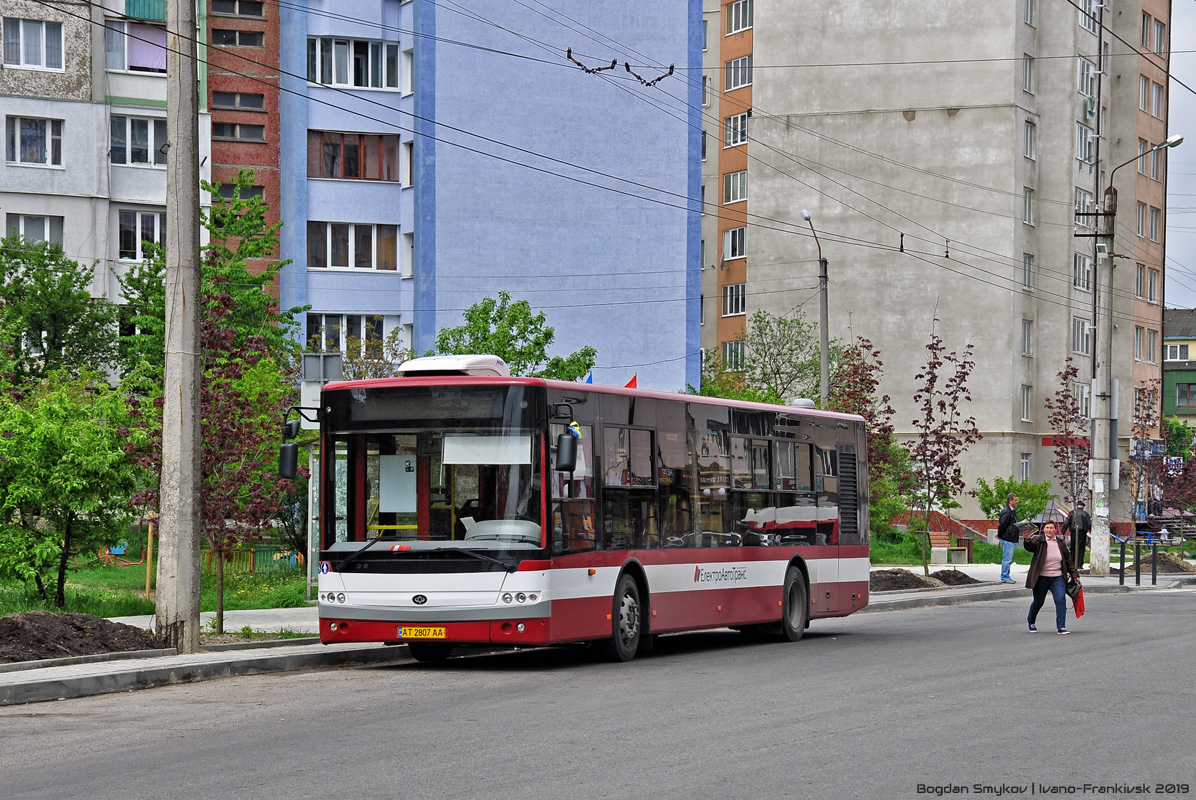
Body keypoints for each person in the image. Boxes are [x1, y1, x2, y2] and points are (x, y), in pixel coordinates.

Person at [1024, 520, 1080, 634]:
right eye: (1047, 528)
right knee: (1038, 601)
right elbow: (1030, 547)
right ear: (1044, 529)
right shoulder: (1038, 540)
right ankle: (1031, 621)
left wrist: (1074, 574)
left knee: (1060, 599)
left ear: (1055, 530)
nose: (1049, 530)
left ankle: (1061, 627)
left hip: (1057, 578)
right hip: (1041, 578)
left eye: (1051, 528)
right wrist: (1027, 539)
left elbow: (1068, 560)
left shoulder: (1060, 543)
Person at [996, 493, 1020, 584]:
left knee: (1008, 559)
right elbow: (1003, 525)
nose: (1017, 502)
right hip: (1008, 538)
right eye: (1015, 500)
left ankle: (1006, 576)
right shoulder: (1007, 511)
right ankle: (1005, 577)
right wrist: (1000, 534)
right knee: (1007, 559)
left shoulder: (1012, 511)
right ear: (1010, 501)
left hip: (1011, 537)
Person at [1061, 500, 1092, 568]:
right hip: (1082, 533)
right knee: (1081, 549)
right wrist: (1092, 532)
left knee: (1073, 548)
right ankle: (1079, 565)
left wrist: (1063, 532)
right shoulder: (1085, 514)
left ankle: (1072, 563)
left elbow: (1066, 523)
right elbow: (1089, 524)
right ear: (1083, 507)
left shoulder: (1072, 513)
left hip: (1073, 532)